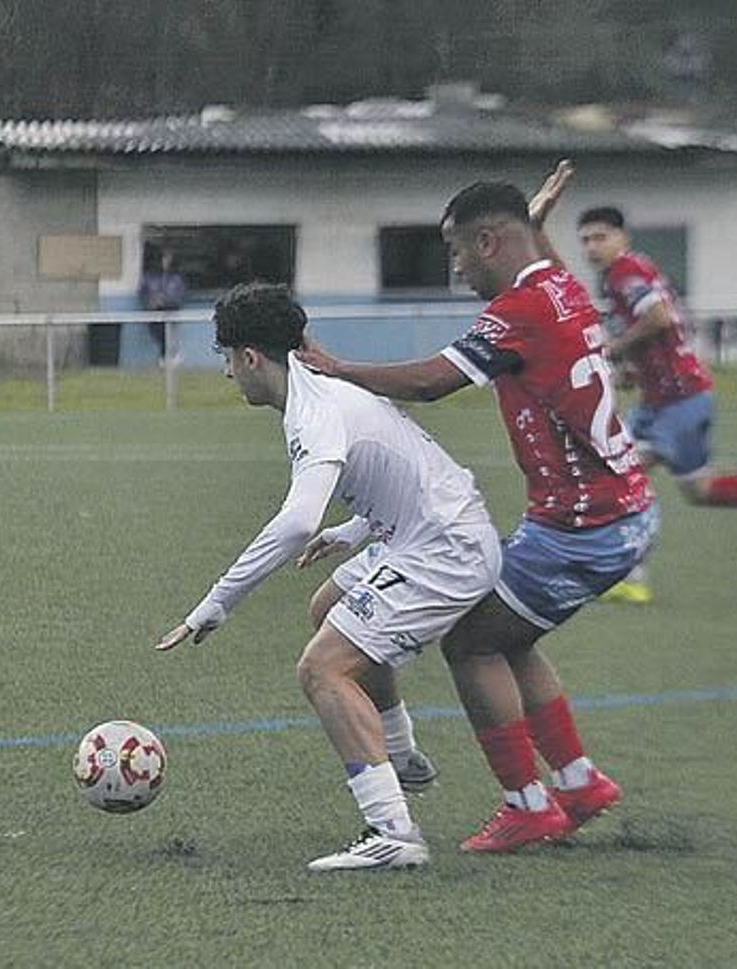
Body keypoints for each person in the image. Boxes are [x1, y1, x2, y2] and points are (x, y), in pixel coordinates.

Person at [298, 176, 652, 853]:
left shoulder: (521, 308)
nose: (456, 267)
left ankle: (528, 802)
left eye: (459, 252)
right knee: (507, 634)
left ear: (490, 241)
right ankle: (577, 781)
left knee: (470, 638)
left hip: (585, 526)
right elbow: (531, 252)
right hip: (608, 514)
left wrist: (335, 368)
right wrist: (531, 220)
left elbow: (434, 381)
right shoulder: (563, 287)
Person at [155, 282, 501, 872]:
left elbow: (294, 522)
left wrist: (215, 603)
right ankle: (400, 753)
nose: (227, 376)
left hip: (445, 550)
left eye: (225, 360)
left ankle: (392, 830)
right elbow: (403, 468)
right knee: (328, 605)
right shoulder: (320, 388)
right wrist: (351, 533)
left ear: (249, 358)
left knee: (322, 667)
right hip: (427, 530)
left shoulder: (315, 412)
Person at [572, 201, 737, 605]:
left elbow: (659, 318)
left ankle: (631, 574)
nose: (592, 247)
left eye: (601, 237)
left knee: (621, 476)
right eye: (585, 240)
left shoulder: (626, 271)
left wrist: (614, 349)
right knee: (698, 489)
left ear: (622, 238)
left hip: (679, 400)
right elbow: (661, 328)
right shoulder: (625, 272)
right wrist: (635, 369)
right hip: (666, 399)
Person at [137, 245, 186, 365]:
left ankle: (167, 356)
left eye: (169, 258)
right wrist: (150, 301)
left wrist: (165, 301)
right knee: (158, 332)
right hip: (153, 312)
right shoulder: (150, 277)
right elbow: (143, 293)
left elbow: (179, 296)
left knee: (165, 331)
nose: (166, 261)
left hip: (170, 310)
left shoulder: (176, 278)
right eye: (164, 258)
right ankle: (170, 354)